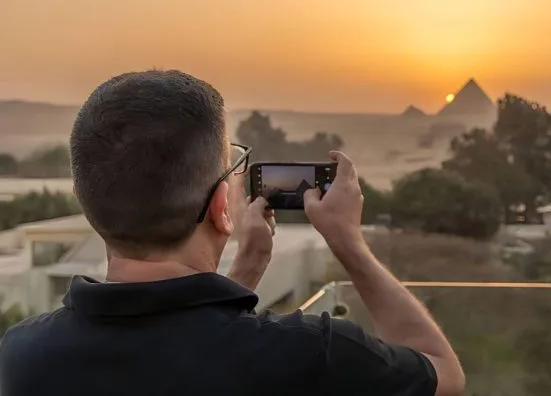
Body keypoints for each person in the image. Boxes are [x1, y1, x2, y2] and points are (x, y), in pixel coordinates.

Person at [0, 70, 465, 396]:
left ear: (87, 199)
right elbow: (442, 374)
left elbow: (180, 352)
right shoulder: (309, 354)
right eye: (234, 164)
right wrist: (349, 243)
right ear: (223, 207)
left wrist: (243, 273)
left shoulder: (23, 355)